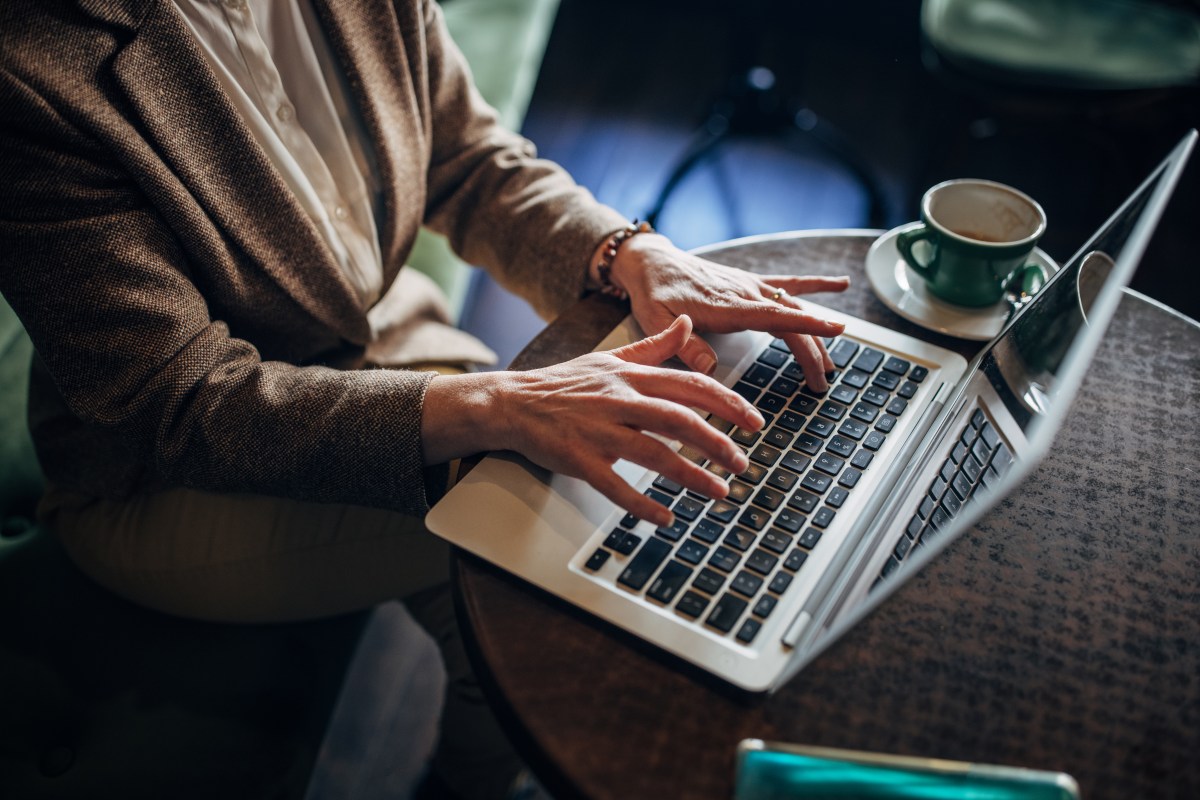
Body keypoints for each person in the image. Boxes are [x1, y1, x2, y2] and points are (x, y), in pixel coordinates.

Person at [0, 0, 848, 796]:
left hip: (370, 333)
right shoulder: (32, 72)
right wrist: (498, 404)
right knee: (533, 554)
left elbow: (465, 157)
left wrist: (626, 252)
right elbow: (179, 402)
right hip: (164, 476)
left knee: (574, 508)